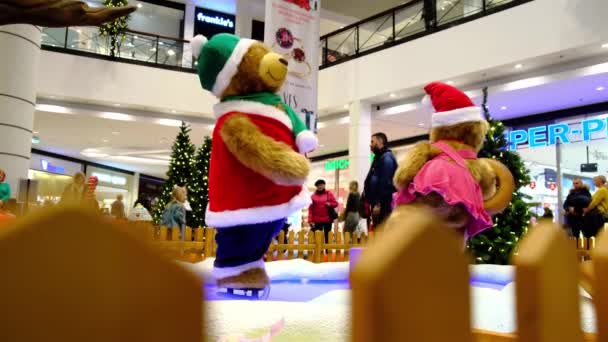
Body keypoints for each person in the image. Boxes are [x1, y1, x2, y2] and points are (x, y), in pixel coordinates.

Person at [363, 132, 398, 230]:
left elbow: (385, 183)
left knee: (382, 230)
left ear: (380, 141)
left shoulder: (386, 158)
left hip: (383, 204)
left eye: (372, 141)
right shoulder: (379, 157)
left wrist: (378, 203)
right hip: (378, 203)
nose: (370, 144)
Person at [308, 179, 338, 243]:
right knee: (318, 238)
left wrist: (330, 204)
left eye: (321, 185)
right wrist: (310, 220)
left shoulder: (329, 194)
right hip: (317, 220)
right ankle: (319, 251)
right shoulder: (313, 196)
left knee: (328, 237)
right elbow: (310, 209)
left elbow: (335, 203)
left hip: (327, 220)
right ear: (316, 187)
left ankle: (328, 251)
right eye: (318, 185)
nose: (320, 186)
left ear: (324, 185)